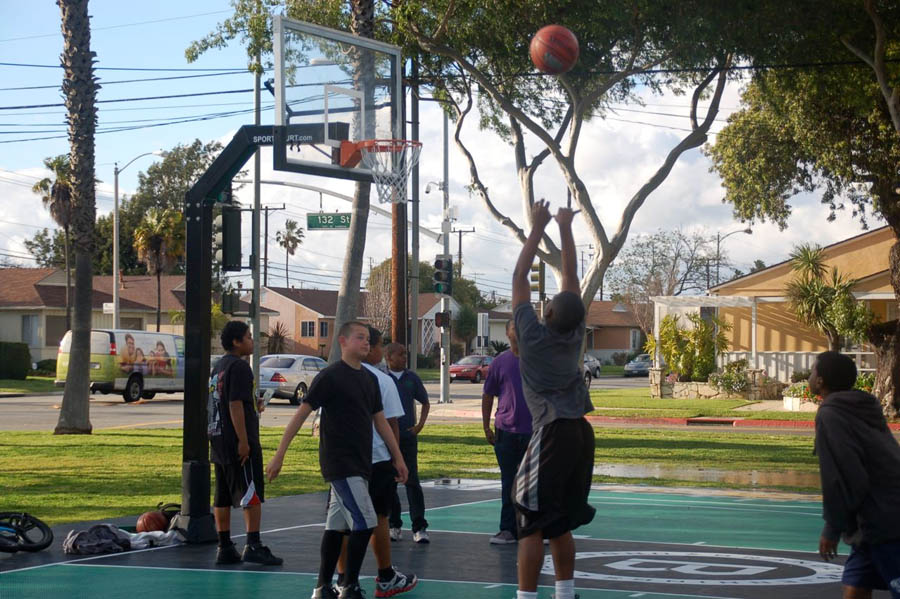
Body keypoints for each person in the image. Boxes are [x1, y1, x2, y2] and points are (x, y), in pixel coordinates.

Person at [266, 321, 408, 599]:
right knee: (366, 521)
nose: (366, 343)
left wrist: (398, 458)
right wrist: (279, 454)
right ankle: (349, 585)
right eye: (359, 338)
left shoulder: (369, 380)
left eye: (368, 339)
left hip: (362, 465)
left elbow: (381, 422)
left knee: (336, 527)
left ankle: (322, 588)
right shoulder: (330, 376)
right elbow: (301, 414)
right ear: (342, 341)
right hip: (341, 465)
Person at [510, 199, 596, 599]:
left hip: (553, 431)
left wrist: (537, 226)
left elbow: (519, 276)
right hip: (580, 432)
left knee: (529, 517)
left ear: (546, 314)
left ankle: (526, 596)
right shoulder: (575, 333)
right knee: (558, 520)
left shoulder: (532, 337)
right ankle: (565, 593)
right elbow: (573, 279)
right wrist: (563, 226)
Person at [335, 328, 418, 597]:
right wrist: (397, 458)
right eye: (377, 345)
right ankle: (383, 575)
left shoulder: (336, 377)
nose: (379, 350)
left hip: (344, 463)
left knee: (343, 522)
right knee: (378, 518)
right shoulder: (381, 381)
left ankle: (342, 577)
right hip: (375, 459)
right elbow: (391, 423)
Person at [810, 351, 900, 599]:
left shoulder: (831, 414)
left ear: (821, 381)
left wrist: (832, 528)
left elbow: (844, 475)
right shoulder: (862, 406)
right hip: (870, 524)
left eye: (813, 371)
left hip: (884, 521)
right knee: (855, 588)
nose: (810, 375)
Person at [210, 320, 282, 566]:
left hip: (218, 438)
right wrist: (243, 440)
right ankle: (253, 544)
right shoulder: (240, 367)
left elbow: (223, 401)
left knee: (221, 493)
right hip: (238, 439)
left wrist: (255, 405)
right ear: (236, 342)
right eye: (249, 337)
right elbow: (234, 404)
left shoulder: (218, 367)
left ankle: (225, 545)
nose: (253, 340)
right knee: (251, 490)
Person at [481, 319, 533, 545]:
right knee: (508, 483)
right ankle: (508, 530)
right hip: (505, 432)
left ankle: (536, 529)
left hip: (535, 432)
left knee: (534, 484)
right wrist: (485, 426)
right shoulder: (499, 362)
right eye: (515, 327)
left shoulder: (539, 360)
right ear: (507, 332)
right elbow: (488, 395)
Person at [385, 342, 431, 543]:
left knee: (412, 482)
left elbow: (425, 402)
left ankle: (419, 527)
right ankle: (394, 525)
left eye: (406, 354)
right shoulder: (382, 379)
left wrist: (419, 425)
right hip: (386, 440)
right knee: (389, 483)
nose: (405, 357)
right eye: (401, 354)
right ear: (389, 357)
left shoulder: (411, 378)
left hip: (407, 438)